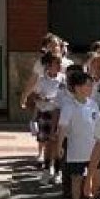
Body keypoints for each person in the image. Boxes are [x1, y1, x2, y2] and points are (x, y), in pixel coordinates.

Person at [57, 66, 100, 199]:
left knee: (96, 176)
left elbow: (99, 125)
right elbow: (62, 127)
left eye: (91, 85)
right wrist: (59, 146)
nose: (90, 88)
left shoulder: (93, 105)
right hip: (76, 148)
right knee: (76, 178)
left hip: (94, 148)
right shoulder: (69, 106)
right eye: (87, 85)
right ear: (76, 87)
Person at [29, 52, 66, 186]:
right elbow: (34, 96)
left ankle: (57, 171)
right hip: (45, 113)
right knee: (47, 143)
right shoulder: (42, 80)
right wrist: (42, 98)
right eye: (56, 64)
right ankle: (46, 170)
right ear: (49, 66)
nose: (59, 66)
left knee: (57, 143)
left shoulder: (63, 80)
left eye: (59, 64)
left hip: (60, 114)